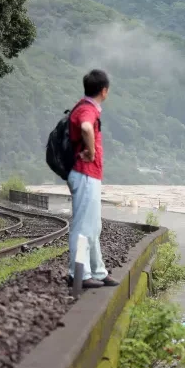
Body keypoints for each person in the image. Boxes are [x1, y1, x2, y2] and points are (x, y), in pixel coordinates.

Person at [67, 69, 118, 288]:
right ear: (104, 91)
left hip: (89, 175)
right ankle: (78, 274)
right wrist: (91, 151)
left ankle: (97, 272)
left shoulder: (86, 107)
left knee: (93, 226)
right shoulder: (87, 109)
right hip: (84, 173)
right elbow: (87, 127)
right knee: (82, 227)